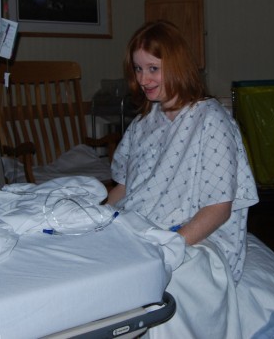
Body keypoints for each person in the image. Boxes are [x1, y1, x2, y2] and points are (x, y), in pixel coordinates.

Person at [107, 21, 258, 282]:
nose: (143, 79)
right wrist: (97, 218)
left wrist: (171, 246)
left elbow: (219, 208)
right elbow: (123, 187)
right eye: (138, 69)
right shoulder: (142, 123)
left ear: (177, 66)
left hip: (194, 236)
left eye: (153, 69)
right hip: (142, 227)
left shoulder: (211, 121)